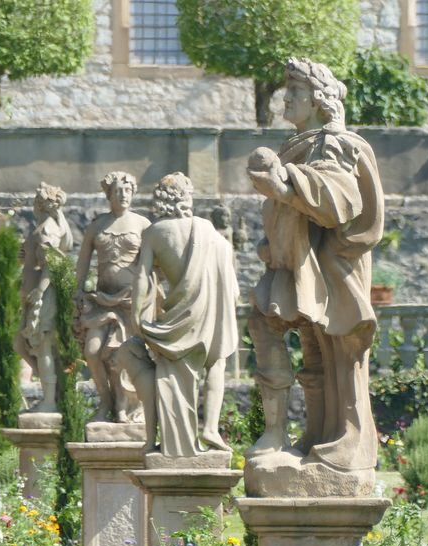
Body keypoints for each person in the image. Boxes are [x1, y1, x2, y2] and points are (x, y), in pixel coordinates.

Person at [245, 58, 385, 474]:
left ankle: (349, 441)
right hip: (303, 264)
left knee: (342, 355)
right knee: (314, 351)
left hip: (333, 267)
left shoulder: (334, 142)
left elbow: (338, 200)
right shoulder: (304, 142)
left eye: (296, 92)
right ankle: (319, 434)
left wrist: (284, 185)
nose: (286, 98)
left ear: (320, 101)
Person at [117, 172, 239, 456]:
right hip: (209, 308)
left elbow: (142, 279)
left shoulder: (155, 233)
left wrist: (137, 319)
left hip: (176, 318)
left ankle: (169, 439)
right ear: (187, 198)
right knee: (216, 362)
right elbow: (228, 275)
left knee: (172, 370)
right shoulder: (208, 229)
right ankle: (209, 428)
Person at [75, 171, 150, 423]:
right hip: (102, 301)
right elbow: (83, 261)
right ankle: (106, 401)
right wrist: (78, 291)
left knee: (125, 356)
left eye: (127, 191)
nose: (123, 195)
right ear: (109, 194)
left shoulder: (142, 224)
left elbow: (155, 262)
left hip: (131, 301)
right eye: (118, 191)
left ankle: (126, 405)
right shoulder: (97, 225)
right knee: (93, 352)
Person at [15, 182, 73, 412]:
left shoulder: (48, 228)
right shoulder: (42, 228)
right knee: (22, 344)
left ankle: (50, 400)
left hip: (43, 295)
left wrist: (39, 290)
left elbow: (53, 262)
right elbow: (37, 258)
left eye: (37, 201)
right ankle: (51, 390)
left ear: (41, 204)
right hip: (33, 294)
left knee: (43, 346)